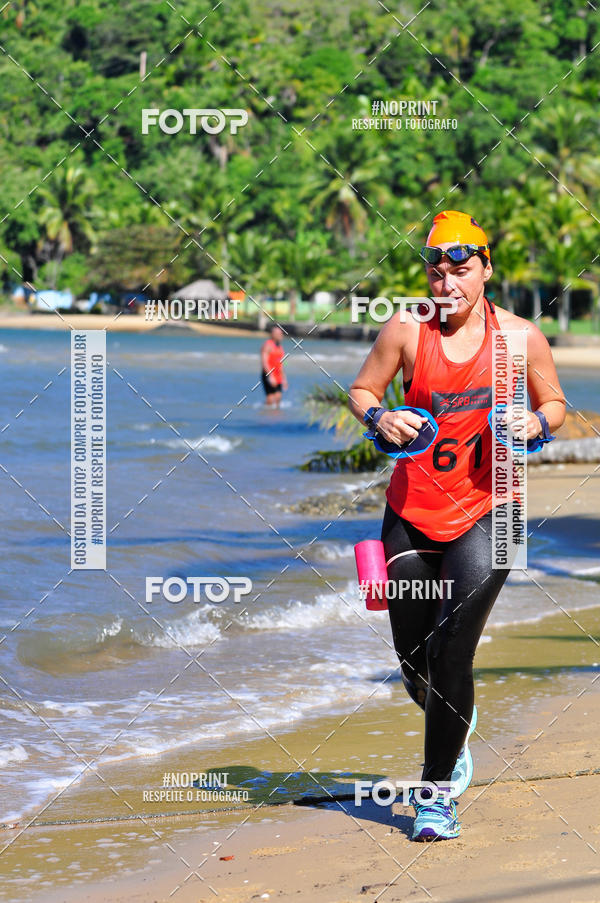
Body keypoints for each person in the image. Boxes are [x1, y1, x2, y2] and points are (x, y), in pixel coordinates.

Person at [348, 210, 566, 841]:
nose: (447, 284)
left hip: (495, 512)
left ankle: (435, 795)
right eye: (436, 272)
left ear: (486, 269)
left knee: (451, 648)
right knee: (415, 659)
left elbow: (554, 404)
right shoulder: (406, 329)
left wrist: (535, 424)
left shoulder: (521, 338)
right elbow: (362, 391)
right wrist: (380, 419)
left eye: (461, 269)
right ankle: (455, 722)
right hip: (412, 511)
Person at [261, 325, 288, 407]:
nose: (281, 336)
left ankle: (275, 414)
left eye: (281, 334)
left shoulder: (280, 347)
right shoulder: (267, 345)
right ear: (273, 334)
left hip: (278, 375)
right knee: (271, 398)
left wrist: (284, 379)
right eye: (279, 334)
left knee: (278, 397)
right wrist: (270, 376)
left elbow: (281, 364)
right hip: (269, 374)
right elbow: (264, 362)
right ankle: (264, 411)